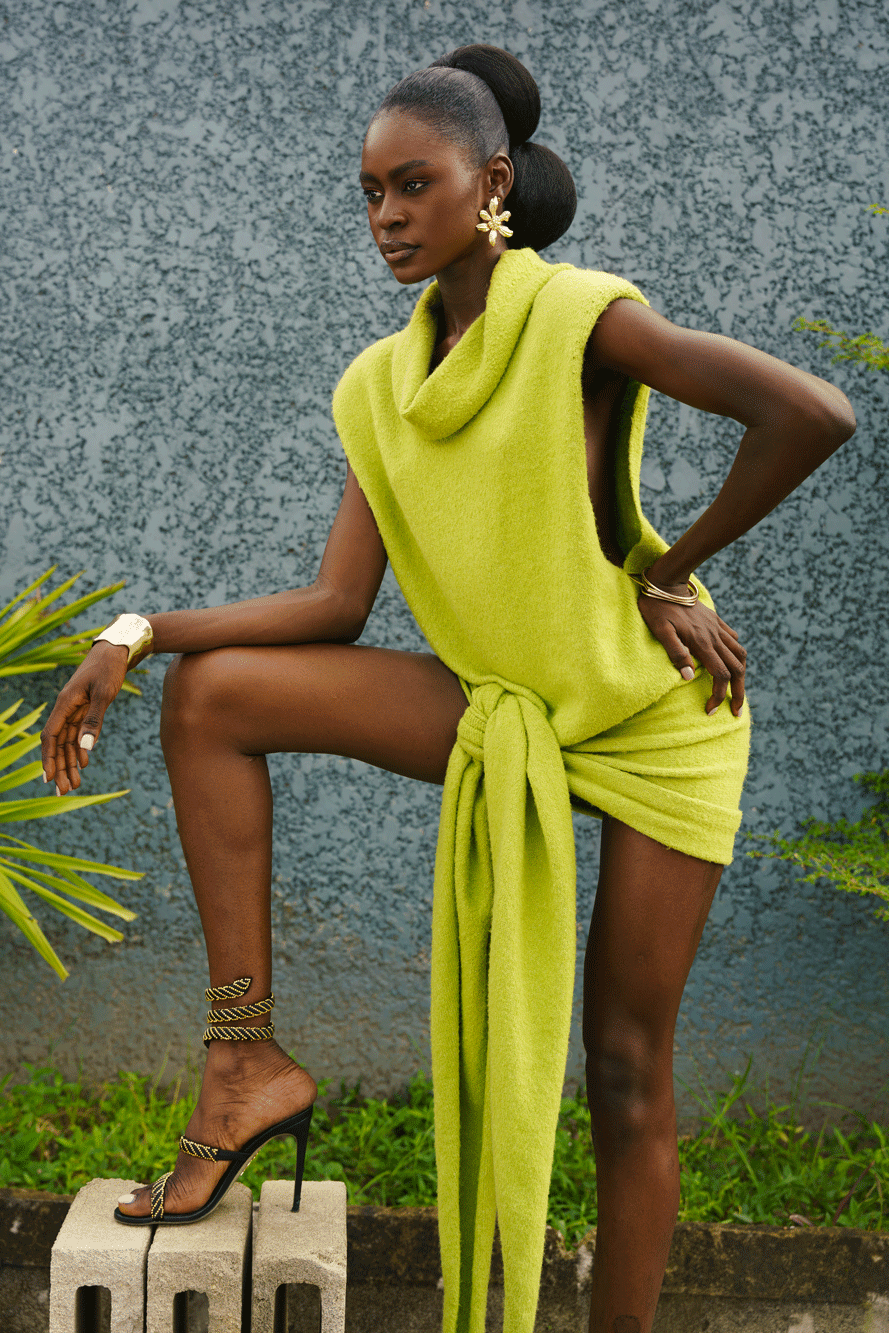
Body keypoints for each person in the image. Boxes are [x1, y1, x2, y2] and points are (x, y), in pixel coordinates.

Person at [40, 43, 855, 1333]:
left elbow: (811, 414)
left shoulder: (582, 319)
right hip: (498, 706)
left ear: (492, 181)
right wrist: (134, 633)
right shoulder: (380, 387)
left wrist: (667, 570)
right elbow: (332, 607)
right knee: (213, 696)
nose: (386, 218)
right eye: (368, 195)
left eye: (411, 186)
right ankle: (244, 1062)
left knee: (629, 1068)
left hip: (649, 714)